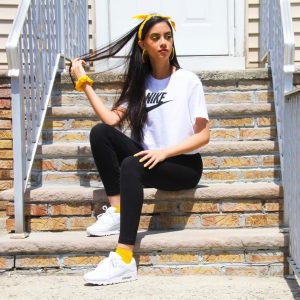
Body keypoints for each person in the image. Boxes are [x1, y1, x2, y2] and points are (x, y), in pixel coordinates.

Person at [70, 13, 210, 286]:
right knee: (100, 133)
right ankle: (118, 211)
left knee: (131, 165)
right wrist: (84, 82)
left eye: (168, 37)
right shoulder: (140, 83)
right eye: (156, 38)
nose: (163, 43)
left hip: (183, 165)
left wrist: (165, 152)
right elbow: (111, 120)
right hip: (151, 159)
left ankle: (123, 258)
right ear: (143, 44)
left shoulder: (188, 80)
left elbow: (203, 135)